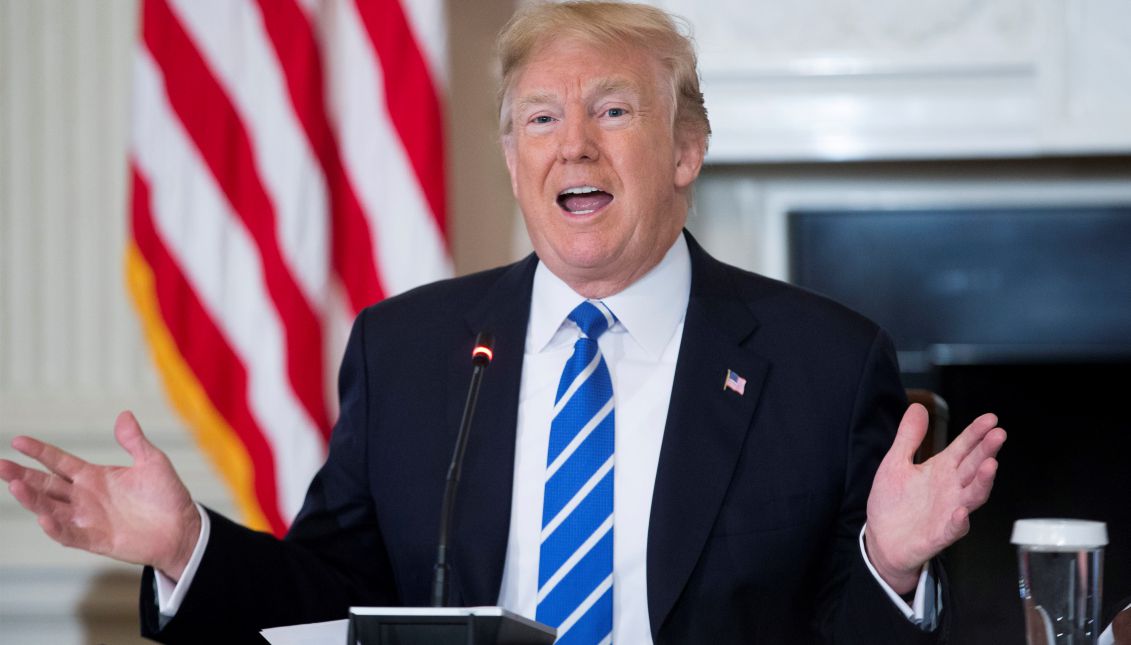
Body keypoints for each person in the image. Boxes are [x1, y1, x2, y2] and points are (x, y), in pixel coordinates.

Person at [0, 3, 1006, 643]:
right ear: (512, 155)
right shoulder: (410, 351)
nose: (574, 148)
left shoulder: (822, 361)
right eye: (540, 119)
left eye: (613, 112)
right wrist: (189, 548)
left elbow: (844, 627)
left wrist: (891, 565)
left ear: (687, 149)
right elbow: (335, 599)